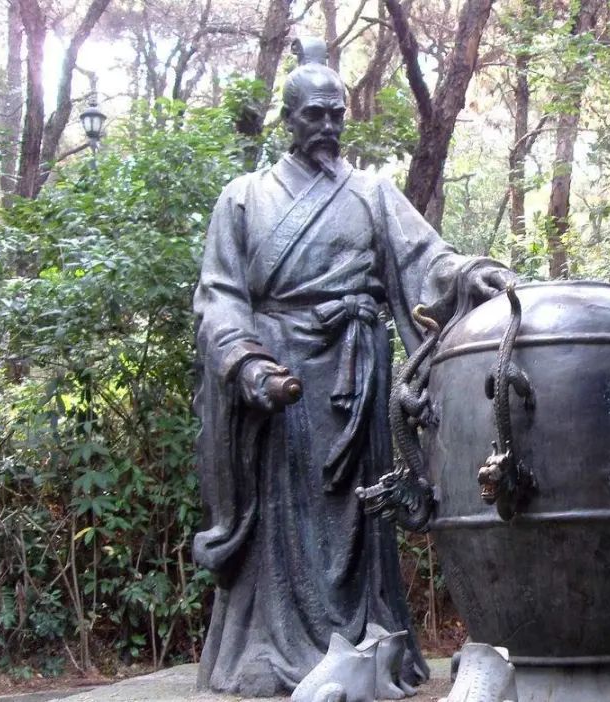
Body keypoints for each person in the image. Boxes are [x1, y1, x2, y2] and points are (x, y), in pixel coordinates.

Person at [191, 42, 513, 696]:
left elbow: (427, 261)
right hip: (280, 377)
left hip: (357, 375)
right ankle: (272, 648)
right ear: (288, 118)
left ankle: (368, 645)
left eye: (337, 114)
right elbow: (219, 296)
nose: (328, 126)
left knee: (358, 516)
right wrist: (246, 362)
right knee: (287, 519)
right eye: (314, 114)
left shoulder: (372, 193)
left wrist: (471, 275)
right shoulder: (243, 198)